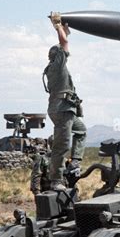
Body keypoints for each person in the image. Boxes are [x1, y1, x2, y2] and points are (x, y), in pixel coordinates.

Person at [44, 12, 86, 191]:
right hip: (62, 110)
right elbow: (64, 44)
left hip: (64, 109)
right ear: (59, 55)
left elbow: (64, 43)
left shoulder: (55, 67)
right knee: (61, 147)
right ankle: (56, 180)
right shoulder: (58, 66)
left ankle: (75, 161)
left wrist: (65, 31)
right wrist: (58, 27)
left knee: (81, 130)